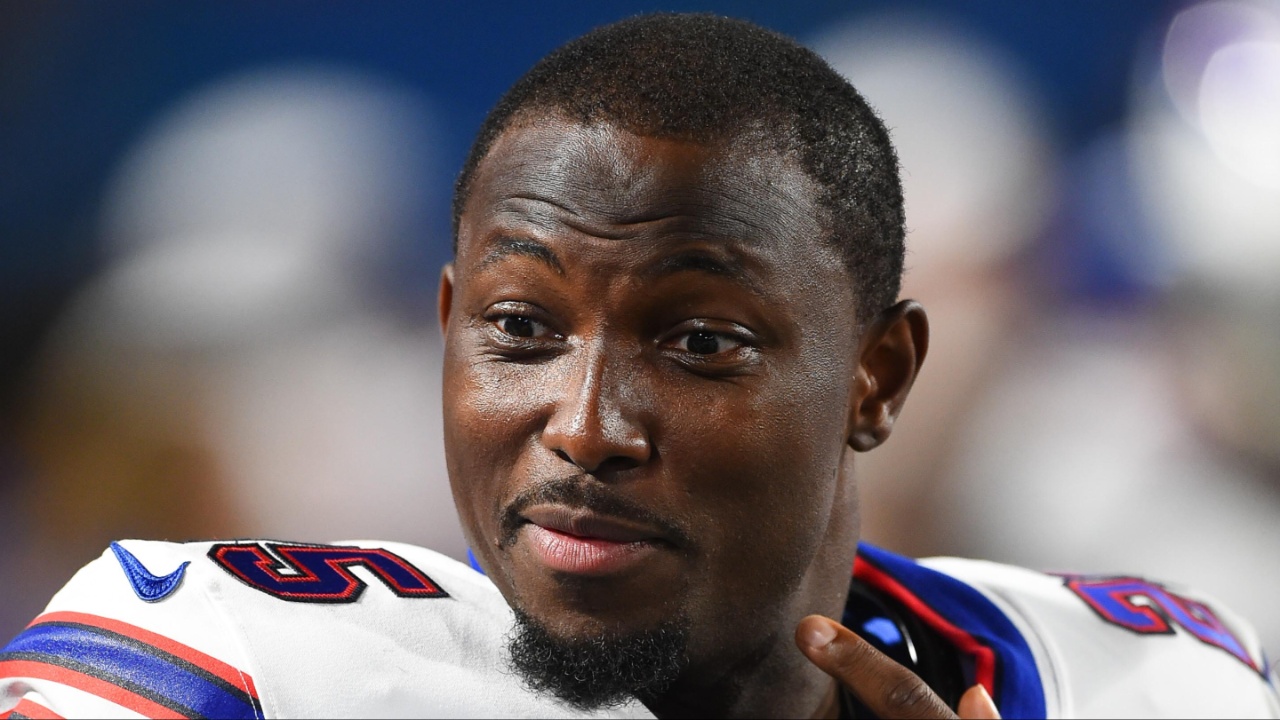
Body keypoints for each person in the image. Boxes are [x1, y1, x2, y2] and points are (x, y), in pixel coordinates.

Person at [2, 14, 1277, 719]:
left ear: (876, 377)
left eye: (700, 342)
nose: (584, 425)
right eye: (518, 331)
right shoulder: (244, 668)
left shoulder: (1157, 683)